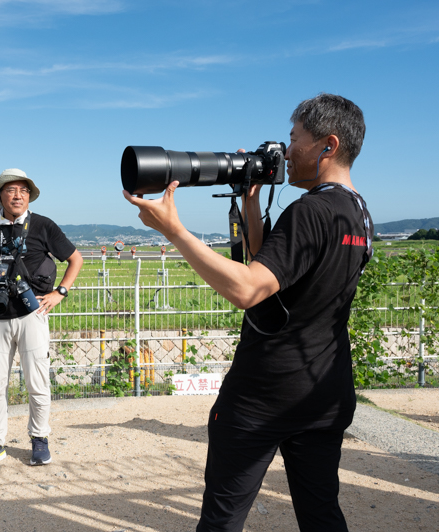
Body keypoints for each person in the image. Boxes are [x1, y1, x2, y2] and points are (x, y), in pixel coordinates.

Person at [124, 94, 372, 532]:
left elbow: (247, 288)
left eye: (294, 139)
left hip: (263, 395)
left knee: (222, 519)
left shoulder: (309, 211)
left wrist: (174, 230)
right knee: (321, 514)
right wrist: (252, 204)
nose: (285, 153)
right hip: (322, 394)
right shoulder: (357, 212)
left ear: (327, 146)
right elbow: (274, 272)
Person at [0, 169, 83, 469]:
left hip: (33, 313)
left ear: (29, 196)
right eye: (11, 190)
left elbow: (75, 259)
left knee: (37, 381)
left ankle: (40, 439)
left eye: (23, 190)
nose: (18, 195)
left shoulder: (43, 225)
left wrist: (60, 292)